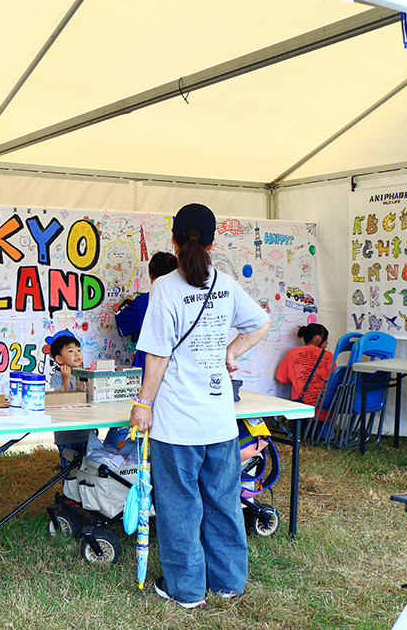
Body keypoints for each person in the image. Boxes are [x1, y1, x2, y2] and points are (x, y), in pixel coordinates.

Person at [130, 202, 269, 609]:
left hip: (177, 422)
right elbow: (261, 323)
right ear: (211, 242)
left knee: (179, 506)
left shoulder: (165, 287)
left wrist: (143, 403)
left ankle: (187, 589)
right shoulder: (226, 284)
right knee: (223, 501)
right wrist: (231, 351)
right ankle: (228, 582)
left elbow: (158, 355)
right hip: (219, 419)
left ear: (174, 240)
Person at [115, 251, 179, 368]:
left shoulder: (145, 302)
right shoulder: (186, 300)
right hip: (179, 364)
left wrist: (127, 304)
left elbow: (122, 322)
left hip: (149, 364)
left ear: (152, 275)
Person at [49, 334, 89, 466]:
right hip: (67, 433)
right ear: (59, 359)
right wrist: (66, 379)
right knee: (69, 465)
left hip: (85, 430)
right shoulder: (57, 377)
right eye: (71, 351)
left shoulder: (86, 374)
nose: (77, 354)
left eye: (79, 350)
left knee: (86, 464)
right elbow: (62, 400)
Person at [276, 323, 333, 413]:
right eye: (326, 339)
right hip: (323, 410)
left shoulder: (293, 353)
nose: (327, 343)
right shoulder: (328, 355)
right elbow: (334, 381)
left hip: (301, 410)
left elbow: (282, 381)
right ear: (318, 338)